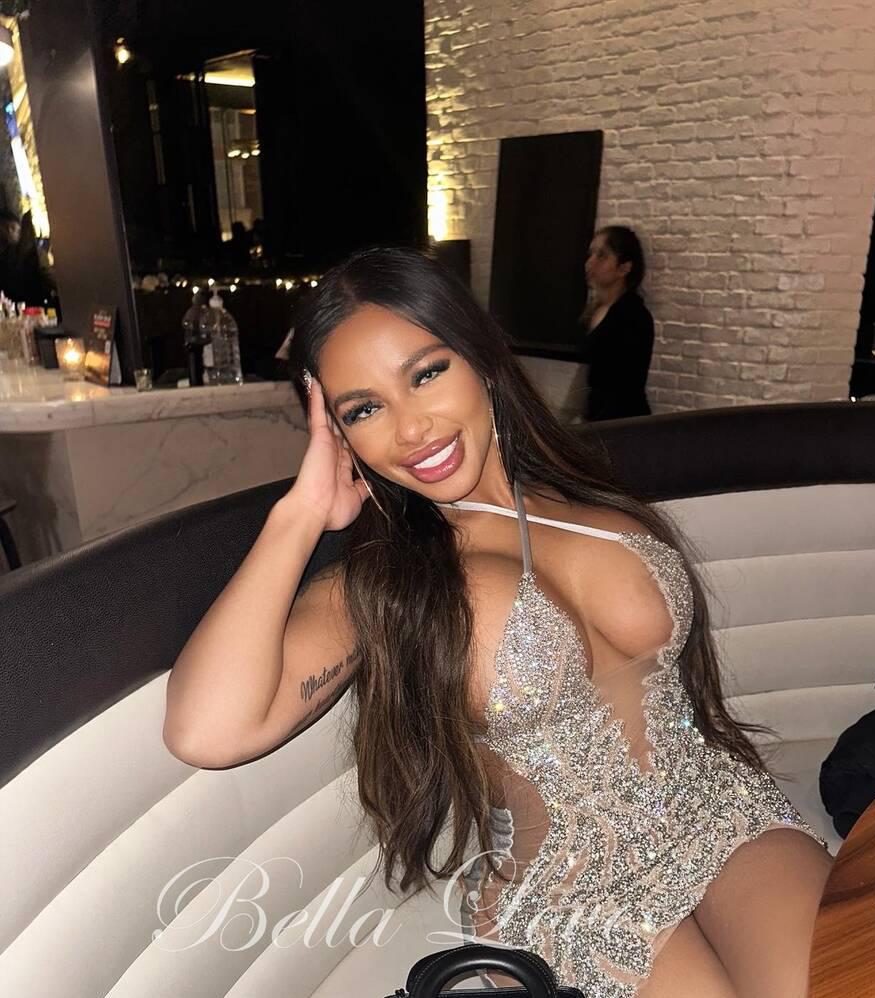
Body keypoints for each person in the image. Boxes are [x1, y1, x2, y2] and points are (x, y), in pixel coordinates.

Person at [162, 247, 831, 998]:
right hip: (573, 885)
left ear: (479, 356)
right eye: (364, 409)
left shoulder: (590, 500)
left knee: (847, 983)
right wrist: (302, 512)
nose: (412, 429)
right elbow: (208, 731)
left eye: (425, 373)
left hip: (718, 809)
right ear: (339, 435)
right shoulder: (389, 582)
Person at [582, 226, 655, 421]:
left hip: (623, 422)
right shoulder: (594, 311)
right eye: (591, 254)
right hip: (598, 420)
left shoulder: (634, 316)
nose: (590, 262)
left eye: (602, 256)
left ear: (624, 267)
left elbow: (623, 386)